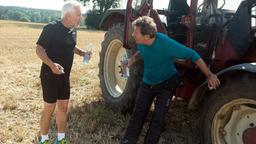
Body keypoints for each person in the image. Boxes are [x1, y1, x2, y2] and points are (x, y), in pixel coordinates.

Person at [120, 16, 220, 144]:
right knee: (137, 115)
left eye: (136, 32)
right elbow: (141, 52)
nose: (133, 34)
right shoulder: (142, 43)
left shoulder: (166, 43)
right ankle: (127, 141)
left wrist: (210, 75)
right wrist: (130, 61)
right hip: (147, 83)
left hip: (165, 85)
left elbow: (193, 55)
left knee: (158, 120)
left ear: (146, 36)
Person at [36, 1, 91, 144]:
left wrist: (82, 53)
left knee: (63, 107)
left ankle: (60, 140)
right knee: (49, 109)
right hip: (49, 76)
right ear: (68, 15)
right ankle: (44, 140)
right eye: (79, 14)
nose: (81, 17)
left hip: (64, 77)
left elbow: (71, 46)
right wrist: (52, 65)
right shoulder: (51, 28)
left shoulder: (73, 29)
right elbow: (39, 49)